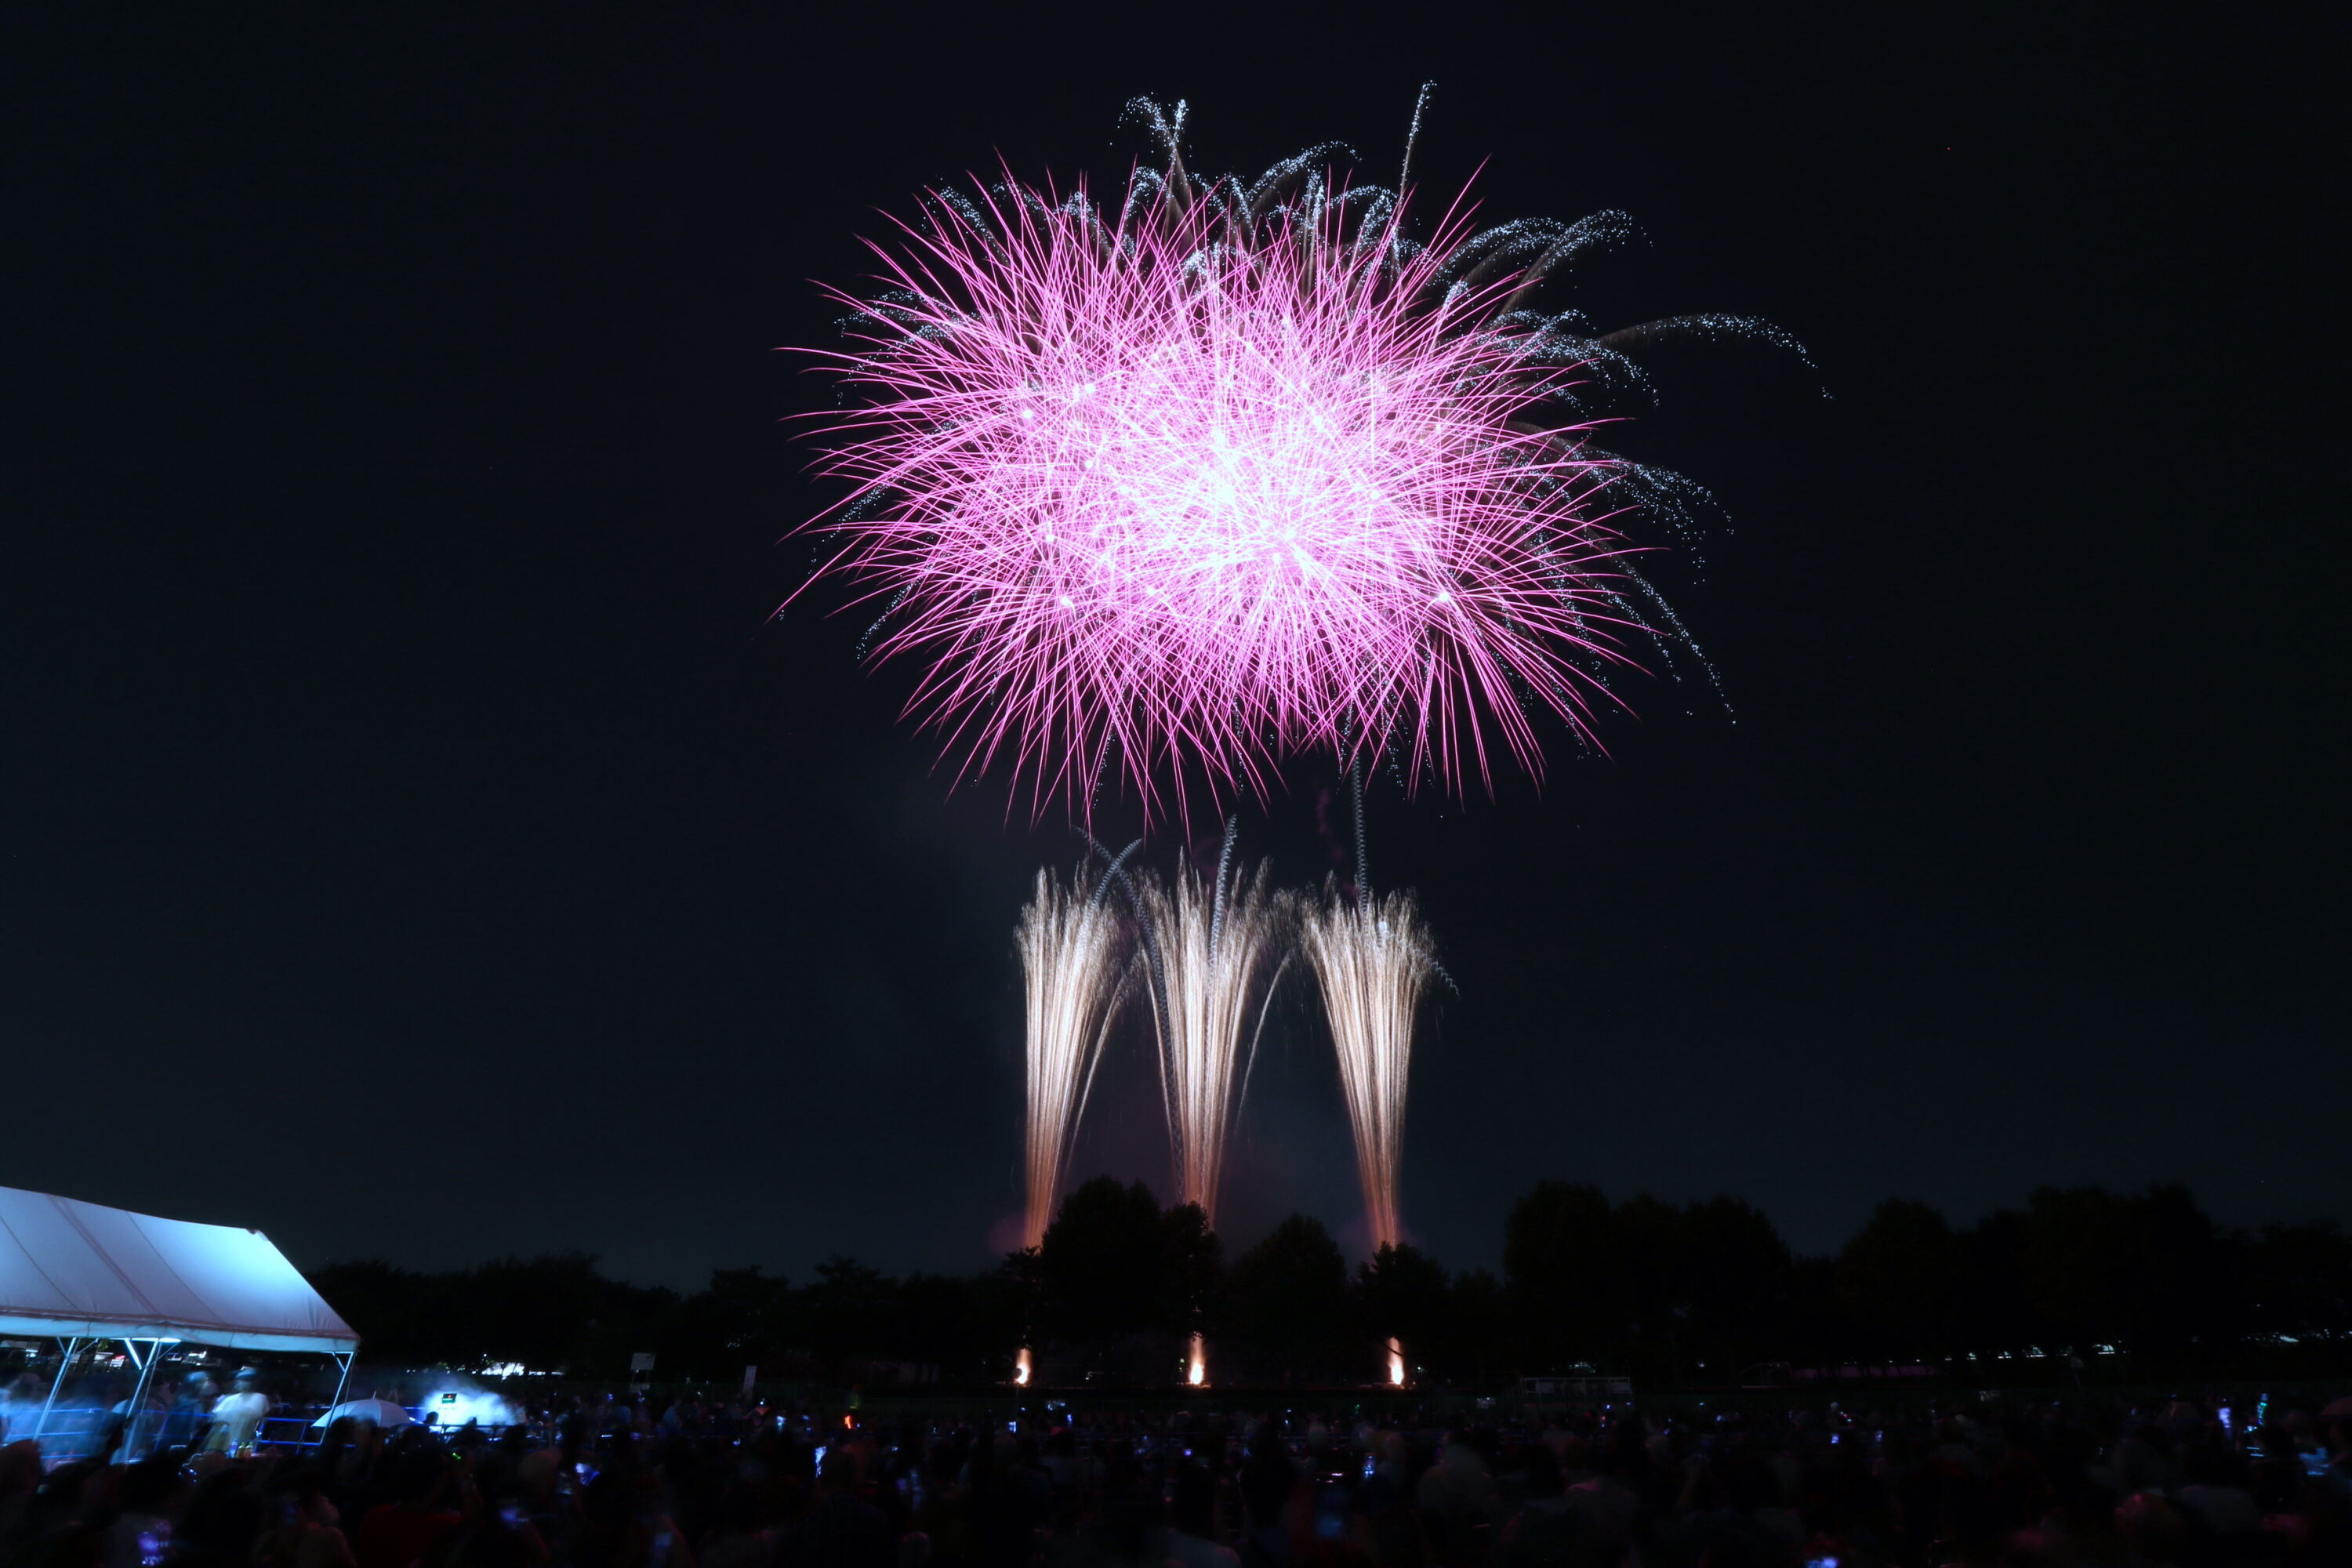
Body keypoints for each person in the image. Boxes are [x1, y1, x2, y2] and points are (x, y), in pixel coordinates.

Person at [204, 1370, 270, 1457]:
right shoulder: (229, 1399)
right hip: (222, 1436)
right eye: (239, 1380)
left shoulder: (260, 1398)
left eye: (245, 1380)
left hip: (244, 1434)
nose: (241, 1383)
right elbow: (217, 1417)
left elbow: (261, 1417)